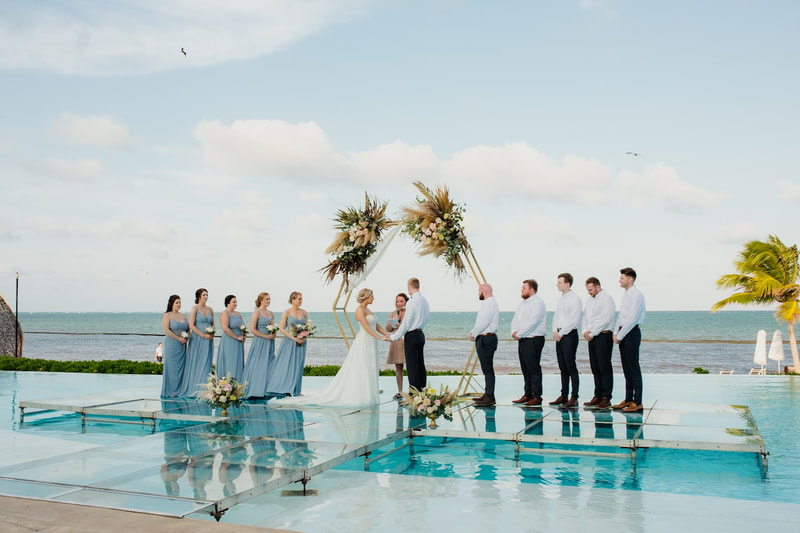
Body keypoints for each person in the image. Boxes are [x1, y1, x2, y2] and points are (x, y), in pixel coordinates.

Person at [277, 288, 390, 407]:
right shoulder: (359, 310)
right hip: (364, 341)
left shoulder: (368, 310)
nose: (373, 298)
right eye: (371, 296)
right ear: (366, 296)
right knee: (362, 365)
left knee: (370, 365)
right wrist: (379, 337)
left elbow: (376, 325)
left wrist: (386, 335)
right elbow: (366, 327)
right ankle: (360, 393)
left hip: (371, 342)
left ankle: (368, 393)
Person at [613, 267, 646, 412]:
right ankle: (628, 399)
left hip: (631, 333)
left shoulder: (636, 295)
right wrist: (616, 333)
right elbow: (621, 317)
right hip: (623, 333)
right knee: (626, 368)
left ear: (630, 279)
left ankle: (637, 402)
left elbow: (632, 320)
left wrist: (620, 335)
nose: (619, 280)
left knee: (633, 368)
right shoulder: (626, 295)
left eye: (622, 278)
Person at [511, 279, 547, 406]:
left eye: (524, 288)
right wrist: (514, 331)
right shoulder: (522, 303)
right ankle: (528, 394)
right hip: (523, 339)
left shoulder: (538, 303)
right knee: (525, 368)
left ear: (532, 290)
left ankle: (537, 396)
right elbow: (515, 319)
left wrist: (520, 334)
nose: (522, 290)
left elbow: (533, 322)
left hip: (534, 338)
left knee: (533, 368)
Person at [389, 278, 430, 392]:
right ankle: (422, 391)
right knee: (420, 365)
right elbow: (427, 318)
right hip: (420, 334)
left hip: (412, 335)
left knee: (412, 366)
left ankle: (414, 393)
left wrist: (393, 337)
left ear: (409, 287)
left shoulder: (412, 302)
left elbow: (406, 324)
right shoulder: (424, 300)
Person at [582, 277, 616, 410]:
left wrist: (592, 333)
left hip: (603, 335)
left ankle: (606, 397)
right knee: (595, 367)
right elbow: (585, 317)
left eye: (591, 289)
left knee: (604, 367)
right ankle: (597, 395)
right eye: (588, 290)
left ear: (598, 287)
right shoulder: (589, 300)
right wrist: (585, 331)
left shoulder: (607, 298)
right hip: (592, 336)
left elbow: (606, 319)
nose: (589, 292)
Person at [266, 292, 309, 397]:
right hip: (289, 341)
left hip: (301, 342)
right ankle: (285, 388)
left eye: (301, 299)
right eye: (299, 299)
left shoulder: (304, 312)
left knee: (298, 364)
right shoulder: (287, 312)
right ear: (292, 300)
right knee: (287, 364)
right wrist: (294, 338)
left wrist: (304, 336)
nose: (301, 301)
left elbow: (307, 327)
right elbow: (281, 329)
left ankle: (296, 389)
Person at [549, 273, 582, 408]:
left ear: (567, 284)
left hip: (569, 335)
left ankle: (574, 397)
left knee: (570, 366)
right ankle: (564, 395)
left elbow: (574, 321)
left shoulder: (575, 299)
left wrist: (561, 333)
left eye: (560, 282)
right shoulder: (560, 299)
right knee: (562, 367)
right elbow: (556, 317)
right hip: (560, 335)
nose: (557, 284)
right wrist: (554, 331)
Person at [179, 288, 215, 397]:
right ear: (199, 296)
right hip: (197, 339)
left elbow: (213, 324)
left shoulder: (210, 309)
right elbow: (191, 325)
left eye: (207, 295)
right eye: (204, 295)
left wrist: (212, 333)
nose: (206, 297)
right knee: (196, 362)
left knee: (206, 362)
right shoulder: (194, 309)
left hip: (208, 340)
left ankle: (205, 389)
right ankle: (194, 388)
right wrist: (203, 335)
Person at [242, 292, 277, 398]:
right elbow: (252, 329)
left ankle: (267, 389)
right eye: (266, 299)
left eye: (269, 299)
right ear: (261, 300)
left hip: (270, 342)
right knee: (258, 363)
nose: (268, 301)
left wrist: (274, 333)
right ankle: (255, 389)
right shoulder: (257, 313)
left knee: (270, 363)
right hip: (260, 342)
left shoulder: (271, 313)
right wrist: (266, 336)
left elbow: (273, 326)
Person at [470, 283, 500, 407]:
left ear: (484, 291)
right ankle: (488, 394)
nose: (478, 293)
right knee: (486, 368)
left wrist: (474, 334)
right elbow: (481, 321)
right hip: (484, 337)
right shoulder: (488, 303)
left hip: (486, 338)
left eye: (479, 291)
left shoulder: (490, 303)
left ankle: (490, 396)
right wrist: (474, 332)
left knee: (487, 368)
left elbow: (484, 321)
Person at [160, 295, 188, 398]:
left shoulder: (183, 316)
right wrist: (179, 339)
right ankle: (171, 390)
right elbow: (167, 330)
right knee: (172, 367)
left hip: (183, 345)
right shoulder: (167, 315)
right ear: (171, 303)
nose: (179, 304)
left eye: (180, 302)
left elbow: (188, 328)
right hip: (172, 344)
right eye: (177, 302)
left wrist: (186, 337)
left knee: (182, 367)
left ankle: (180, 389)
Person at [385, 293, 409, 400]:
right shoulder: (393, 313)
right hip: (396, 342)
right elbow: (388, 329)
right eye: (397, 301)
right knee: (398, 367)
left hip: (406, 341)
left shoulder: (409, 312)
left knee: (411, 367)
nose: (399, 303)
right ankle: (400, 391)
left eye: (401, 301)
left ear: (406, 302)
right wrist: (394, 320)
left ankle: (413, 391)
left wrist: (402, 325)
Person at [217, 294, 246, 381]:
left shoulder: (238, 314)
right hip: (229, 341)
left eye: (236, 302)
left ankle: (238, 383)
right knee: (230, 361)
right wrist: (237, 337)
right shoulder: (225, 313)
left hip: (239, 342)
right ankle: (228, 383)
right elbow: (225, 329)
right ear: (228, 303)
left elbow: (243, 326)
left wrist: (244, 335)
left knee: (238, 362)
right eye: (233, 302)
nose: (235, 304)